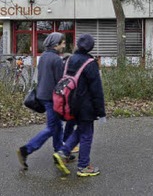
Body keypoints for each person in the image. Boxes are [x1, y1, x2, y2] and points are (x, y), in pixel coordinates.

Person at [16, 32, 73, 170]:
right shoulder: (56, 60)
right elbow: (61, 82)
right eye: (63, 43)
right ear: (55, 45)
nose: (64, 45)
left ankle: (60, 151)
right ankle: (26, 150)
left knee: (58, 125)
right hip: (51, 97)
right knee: (52, 127)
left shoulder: (44, 57)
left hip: (42, 95)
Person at [53, 33, 105, 177]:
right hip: (86, 107)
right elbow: (96, 90)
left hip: (71, 103)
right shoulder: (90, 63)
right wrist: (101, 112)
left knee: (81, 130)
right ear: (91, 47)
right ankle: (83, 167)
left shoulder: (69, 60)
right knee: (87, 134)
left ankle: (63, 152)